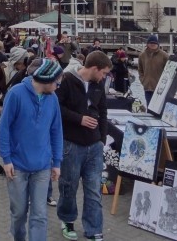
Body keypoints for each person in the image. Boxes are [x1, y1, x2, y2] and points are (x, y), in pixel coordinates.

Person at [0, 59, 64, 241]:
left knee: (40, 214)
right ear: (47, 79)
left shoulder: (53, 99)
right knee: (19, 213)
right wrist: (6, 159)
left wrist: (56, 162)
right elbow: (3, 128)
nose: (58, 87)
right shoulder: (16, 94)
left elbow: (56, 131)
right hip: (17, 166)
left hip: (42, 166)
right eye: (57, 83)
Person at [56, 50, 111, 241]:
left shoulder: (98, 84)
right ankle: (67, 220)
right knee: (68, 186)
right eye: (103, 73)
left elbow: (103, 111)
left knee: (94, 189)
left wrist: (102, 139)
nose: (104, 77)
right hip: (71, 144)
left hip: (94, 145)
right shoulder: (67, 81)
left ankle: (93, 228)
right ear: (94, 68)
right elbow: (57, 107)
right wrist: (79, 119)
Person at [0, 47, 29, 174]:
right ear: (17, 61)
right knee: (1, 133)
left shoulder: (24, 72)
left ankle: (14, 161)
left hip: (17, 107)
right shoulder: (2, 68)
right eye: (22, 62)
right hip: (2, 106)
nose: (23, 65)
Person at [138, 34, 169, 105]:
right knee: (149, 107)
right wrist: (143, 80)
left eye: (155, 43)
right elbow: (140, 70)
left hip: (160, 88)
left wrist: (164, 84)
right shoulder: (142, 55)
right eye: (151, 43)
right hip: (147, 88)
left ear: (158, 44)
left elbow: (169, 71)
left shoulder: (164, 55)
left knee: (159, 107)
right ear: (147, 44)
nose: (153, 45)